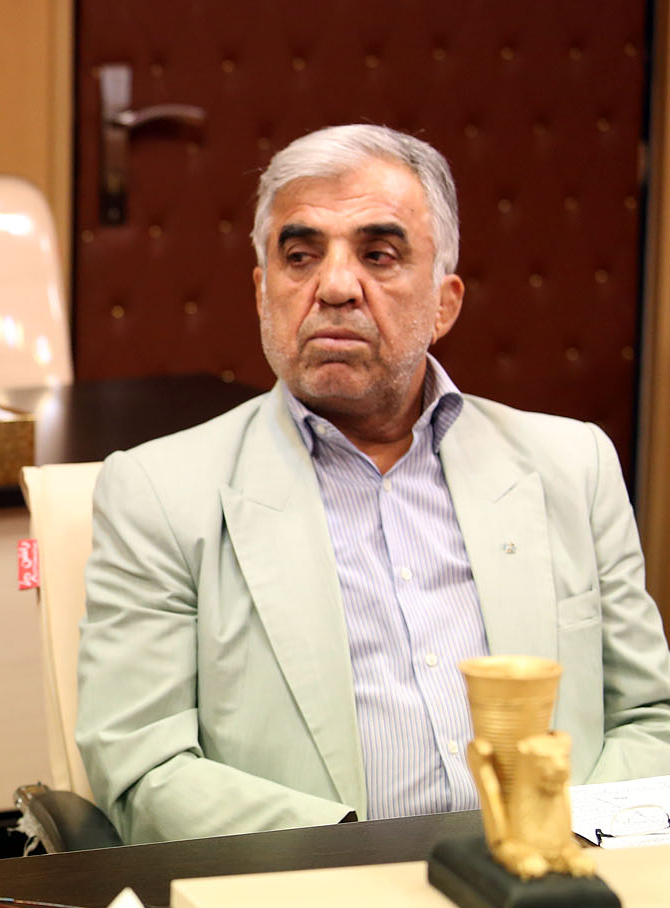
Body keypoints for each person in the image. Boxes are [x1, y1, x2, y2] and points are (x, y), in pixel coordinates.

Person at [76, 124, 670, 845]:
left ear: (445, 302)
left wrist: (561, 844)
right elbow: (144, 767)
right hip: (315, 892)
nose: (334, 287)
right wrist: (357, 860)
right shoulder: (161, 493)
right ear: (263, 294)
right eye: (300, 257)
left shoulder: (572, 467)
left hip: (554, 882)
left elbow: (649, 720)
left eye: (378, 255)